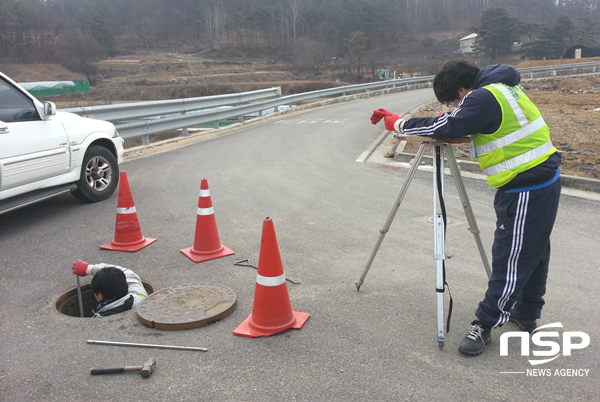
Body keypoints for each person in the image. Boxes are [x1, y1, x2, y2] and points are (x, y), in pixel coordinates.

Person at [370, 60, 561, 356]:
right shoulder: (503, 89)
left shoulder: (481, 98)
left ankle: (485, 323)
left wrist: (397, 123)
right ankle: (526, 311)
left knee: (510, 255)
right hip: (540, 177)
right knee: (533, 249)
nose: (456, 106)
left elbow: (445, 125)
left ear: (462, 90)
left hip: (526, 182)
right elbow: (459, 118)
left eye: (454, 101)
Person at [72, 260, 148, 317]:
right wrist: (90, 268)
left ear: (100, 295)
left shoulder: (99, 319)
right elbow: (128, 274)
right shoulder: (139, 296)